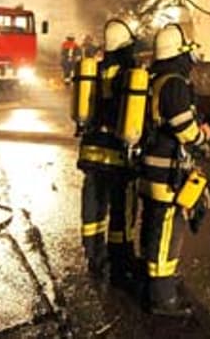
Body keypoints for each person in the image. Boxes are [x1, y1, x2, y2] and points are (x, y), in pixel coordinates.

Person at [140, 22, 210, 317]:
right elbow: (184, 128)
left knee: (153, 226)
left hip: (150, 169)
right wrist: (203, 135)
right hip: (166, 173)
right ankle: (163, 297)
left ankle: (156, 280)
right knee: (166, 230)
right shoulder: (174, 83)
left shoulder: (154, 79)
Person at [76, 19, 137, 287]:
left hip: (90, 149)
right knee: (120, 208)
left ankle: (93, 255)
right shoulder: (130, 72)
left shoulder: (95, 70)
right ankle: (119, 260)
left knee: (93, 203)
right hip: (116, 151)